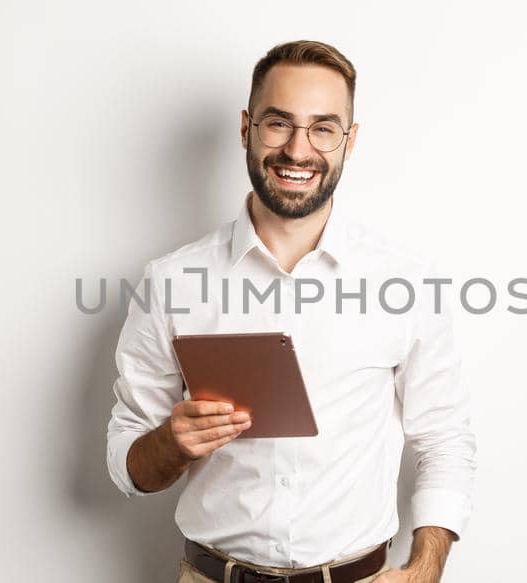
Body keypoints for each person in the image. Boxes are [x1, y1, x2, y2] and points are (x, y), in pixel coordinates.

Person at [105, 40, 477, 583]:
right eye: (278, 123)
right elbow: (126, 460)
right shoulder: (170, 282)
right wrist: (169, 443)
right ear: (245, 129)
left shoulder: (407, 282)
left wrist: (425, 568)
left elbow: (444, 437)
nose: (298, 151)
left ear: (350, 142)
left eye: (323, 128)